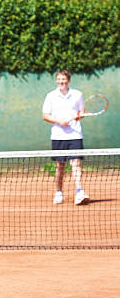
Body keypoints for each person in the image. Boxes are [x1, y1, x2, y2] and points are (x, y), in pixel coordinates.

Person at [42, 69, 89, 205]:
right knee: (60, 166)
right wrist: (59, 121)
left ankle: (79, 192)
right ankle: (58, 192)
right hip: (58, 136)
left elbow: (82, 112)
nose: (61, 82)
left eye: (63, 80)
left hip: (75, 134)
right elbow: (45, 115)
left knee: (76, 163)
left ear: (68, 80)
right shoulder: (50, 96)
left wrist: (80, 115)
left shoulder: (77, 94)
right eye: (59, 80)